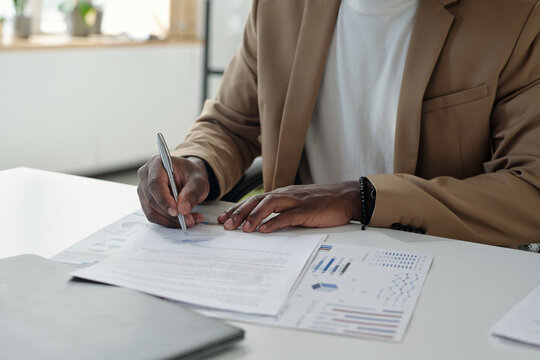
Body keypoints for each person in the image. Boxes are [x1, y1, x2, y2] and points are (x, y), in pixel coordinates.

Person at [137, 0, 540, 249]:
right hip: (290, 259)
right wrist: (195, 164)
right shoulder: (279, 8)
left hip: (439, 268)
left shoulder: (517, 15)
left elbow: (531, 187)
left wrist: (359, 197)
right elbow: (231, 122)